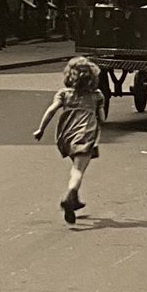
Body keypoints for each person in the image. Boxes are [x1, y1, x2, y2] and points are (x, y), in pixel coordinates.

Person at [33, 57, 107, 225]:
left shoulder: (63, 94)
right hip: (85, 134)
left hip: (66, 135)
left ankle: (75, 200)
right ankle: (70, 194)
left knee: (75, 167)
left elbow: (51, 110)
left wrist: (41, 129)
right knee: (78, 170)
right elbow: (102, 117)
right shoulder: (96, 96)